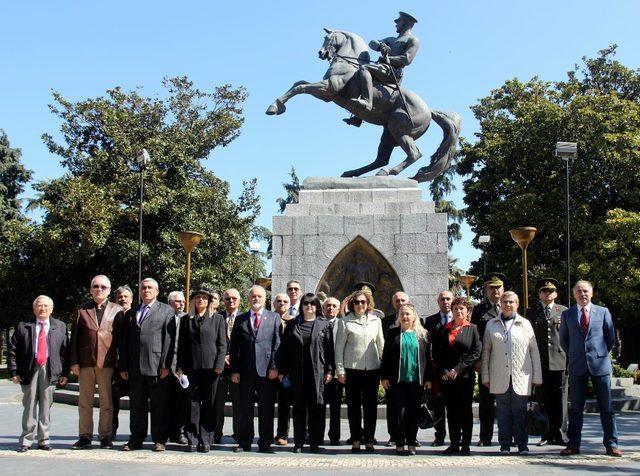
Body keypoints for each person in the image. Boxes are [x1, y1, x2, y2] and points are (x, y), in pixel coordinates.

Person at [560, 280, 622, 457]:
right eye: (579, 291)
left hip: (600, 365)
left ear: (592, 293)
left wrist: (599, 354)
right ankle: (573, 444)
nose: (582, 294)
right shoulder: (567, 314)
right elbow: (564, 340)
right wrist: (575, 354)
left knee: (606, 407)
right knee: (576, 408)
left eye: (586, 291)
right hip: (577, 366)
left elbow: (610, 338)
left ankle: (611, 444)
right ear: (574, 294)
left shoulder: (603, 312)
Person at [481, 291, 542, 455]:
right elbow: (486, 352)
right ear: (500, 303)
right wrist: (485, 376)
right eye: (505, 302)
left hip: (521, 376)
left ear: (517, 304)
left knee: (520, 412)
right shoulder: (491, 324)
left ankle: (522, 444)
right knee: (502, 413)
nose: (508, 305)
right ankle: (505, 445)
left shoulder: (525, 324)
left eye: (511, 302)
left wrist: (537, 376)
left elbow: (534, 351)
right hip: (499, 375)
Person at [118, 278, 174, 452]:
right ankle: (136, 438)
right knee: (137, 405)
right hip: (135, 367)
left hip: (157, 367)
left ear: (157, 291)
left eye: (150, 287)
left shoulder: (166, 310)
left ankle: (159, 439)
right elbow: (124, 342)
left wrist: (166, 365)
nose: (146, 290)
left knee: (159, 405)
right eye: (143, 288)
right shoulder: (131, 312)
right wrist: (124, 366)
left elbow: (169, 340)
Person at [69, 275, 124, 450]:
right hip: (86, 363)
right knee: (84, 402)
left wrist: (121, 364)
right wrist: (74, 362)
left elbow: (122, 340)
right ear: (91, 288)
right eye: (96, 286)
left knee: (107, 402)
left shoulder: (118, 310)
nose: (99, 289)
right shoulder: (81, 310)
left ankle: (105, 436)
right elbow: (75, 339)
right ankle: (85, 436)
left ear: (109, 290)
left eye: (103, 287)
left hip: (108, 363)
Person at [9, 295, 69, 453]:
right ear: (34, 308)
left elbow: (65, 352)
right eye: (39, 306)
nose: (42, 308)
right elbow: (13, 351)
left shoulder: (60, 326)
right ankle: (26, 440)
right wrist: (14, 371)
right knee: (29, 406)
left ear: (51, 309)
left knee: (45, 406)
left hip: (49, 368)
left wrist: (64, 372)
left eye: (46, 306)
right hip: (29, 368)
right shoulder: (23, 326)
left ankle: (44, 439)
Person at [278, 293, 334, 453]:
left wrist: (330, 370)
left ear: (317, 306)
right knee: (298, 408)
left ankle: (315, 441)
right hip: (297, 373)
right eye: (306, 303)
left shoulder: (324, 325)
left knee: (317, 407)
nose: (309, 306)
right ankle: (299, 442)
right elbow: (284, 349)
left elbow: (330, 350)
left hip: (317, 372)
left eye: (312, 303)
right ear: (301, 306)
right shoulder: (292, 324)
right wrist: (282, 370)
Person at [229, 285, 281, 453]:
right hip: (245, 372)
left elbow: (277, 344)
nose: (256, 298)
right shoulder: (240, 319)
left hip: (267, 372)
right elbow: (234, 347)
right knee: (245, 408)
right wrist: (234, 370)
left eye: (259, 296)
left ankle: (265, 442)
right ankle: (244, 442)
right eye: (253, 296)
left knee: (266, 409)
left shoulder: (274, 318)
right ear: (249, 298)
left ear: (265, 299)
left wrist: (275, 367)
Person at [346, 12, 419, 127]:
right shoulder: (391, 40)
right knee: (362, 78)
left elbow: (407, 59)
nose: (396, 24)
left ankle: (367, 102)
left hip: (393, 72)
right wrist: (380, 46)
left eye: (398, 21)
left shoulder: (412, 40)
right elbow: (372, 42)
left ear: (405, 24)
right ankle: (358, 117)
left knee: (364, 69)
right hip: (383, 68)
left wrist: (389, 59)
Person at [176, 286, 227, 453]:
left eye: (204, 298)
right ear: (193, 301)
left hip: (212, 369)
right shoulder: (186, 320)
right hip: (192, 368)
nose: (201, 300)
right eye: (198, 297)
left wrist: (219, 365)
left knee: (209, 403)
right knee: (192, 403)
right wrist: (180, 367)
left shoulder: (218, 319)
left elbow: (222, 344)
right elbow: (182, 346)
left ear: (209, 301)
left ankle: (206, 438)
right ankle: (193, 437)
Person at [335, 290, 384, 452]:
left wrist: (385, 371)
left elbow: (381, 346)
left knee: (371, 407)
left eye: (363, 302)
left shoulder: (376, 321)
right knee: (353, 407)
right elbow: (339, 349)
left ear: (368, 303)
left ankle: (369, 440)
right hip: (352, 370)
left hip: (372, 370)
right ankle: (356, 439)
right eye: (357, 302)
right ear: (352, 304)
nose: (360, 305)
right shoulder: (345, 321)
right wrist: (340, 370)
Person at [380, 304, 432, 456]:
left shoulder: (422, 335)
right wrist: (384, 376)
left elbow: (427, 358)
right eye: (402, 314)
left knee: (413, 413)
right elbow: (386, 357)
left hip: (416, 381)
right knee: (399, 413)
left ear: (414, 316)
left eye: (408, 314)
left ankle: (411, 442)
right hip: (398, 380)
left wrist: (428, 378)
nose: (405, 317)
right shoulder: (392, 333)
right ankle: (399, 443)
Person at [432, 297, 481, 456]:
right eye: (456, 309)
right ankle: (454, 443)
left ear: (467, 311)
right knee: (451, 411)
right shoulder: (444, 329)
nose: (459, 312)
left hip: (464, 377)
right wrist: (444, 370)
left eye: (462, 309)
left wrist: (457, 369)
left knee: (465, 411)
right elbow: (437, 353)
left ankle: (465, 444)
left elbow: (476, 352)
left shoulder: (472, 328)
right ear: (451, 311)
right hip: (447, 378)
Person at [526, 278, 568, 446]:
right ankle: (546, 434)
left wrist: (569, 361)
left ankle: (561, 434)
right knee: (543, 399)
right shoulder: (531, 312)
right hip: (540, 362)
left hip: (559, 361)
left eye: (550, 291)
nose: (547, 293)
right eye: (544, 291)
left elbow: (568, 337)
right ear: (539, 294)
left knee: (561, 400)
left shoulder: (564, 311)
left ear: (556, 294)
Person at [470, 272, 505, 447]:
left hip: (506, 362)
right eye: (491, 288)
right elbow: (475, 338)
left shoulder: (509, 306)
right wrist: (476, 361)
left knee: (507, 401)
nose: (495, 291)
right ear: (486, 290)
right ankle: (485, 437)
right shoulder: (478, 310)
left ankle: (509, 436)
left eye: (498, 287)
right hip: (487, 361)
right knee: (486, 402)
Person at [422, 290, 454, 447]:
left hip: (455, 370)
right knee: (438, 405)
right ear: (438, 302)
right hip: (437, 370)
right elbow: (427, 349)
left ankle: (457, 437)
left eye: (448, 298)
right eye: (442, 299)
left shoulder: (460, 319)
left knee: (455, 406)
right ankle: (440, 436)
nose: (445, 301)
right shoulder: (430, 321)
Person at [380, 291, 409, 447]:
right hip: (392, 373)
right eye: (397, 300)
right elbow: (384, 351)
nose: (400, 303)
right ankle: (394, 435)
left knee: (411, 406)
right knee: (393, 406)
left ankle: (411, 435)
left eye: (403, 300)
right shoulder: (386, 322)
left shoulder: (418, 323)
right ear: (393, 303)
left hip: (411, 373)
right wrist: (384, 375)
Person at [213, 288, 241, 444]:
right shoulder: (217, 318)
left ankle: (238, 433)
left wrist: (234, 358)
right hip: (219, 367)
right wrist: (222, 357)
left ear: (239, 300)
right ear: (223, 301)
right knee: (217, 403)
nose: (231, 301)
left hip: (237, 368)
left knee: (238, 403)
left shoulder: (244, 318)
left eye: (234, 298)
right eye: (228, 299)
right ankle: (216, 433)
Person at [167, 290, 188, 445]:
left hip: (183, 368)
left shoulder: (188, 318)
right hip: (166, 366)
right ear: (170, 303)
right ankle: (167, 431)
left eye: (183, 301)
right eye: (178, 301)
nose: (181, 304)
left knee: (182, 402)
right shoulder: (165, 318)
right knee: (167, 401)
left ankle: (181, 432)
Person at [111, 285, 133, 439]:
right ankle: (110, 431)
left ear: (131, 299)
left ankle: (136, 434)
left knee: (138, 403)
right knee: (112, 403)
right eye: (120, 296)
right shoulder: (110, 315)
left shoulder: (137, 314)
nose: (123, 299)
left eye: (126, 296)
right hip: (115, 366)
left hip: (135, 367)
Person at [322, 297, 343, 445]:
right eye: (328, 305)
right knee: (319, 406)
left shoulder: (343, 324)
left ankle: (334, 437)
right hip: (321, 373)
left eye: (334, 305)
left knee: (336, 408)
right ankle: (316, 435)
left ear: (339, 308)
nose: (331, 308)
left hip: (337, 374)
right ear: (323, 308)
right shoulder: (317, 324)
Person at [272, 292, 293, 445]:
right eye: (278, 301)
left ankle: (282, 434)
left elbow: (291, 349)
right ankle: (265, 433)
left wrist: (283, 371)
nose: (281, 303)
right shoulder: (267, 319)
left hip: (285, 372)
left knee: (284, 404)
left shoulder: (293, 322)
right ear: (274, 303)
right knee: (266, 403)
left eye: (285, 301)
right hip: (268, 370)